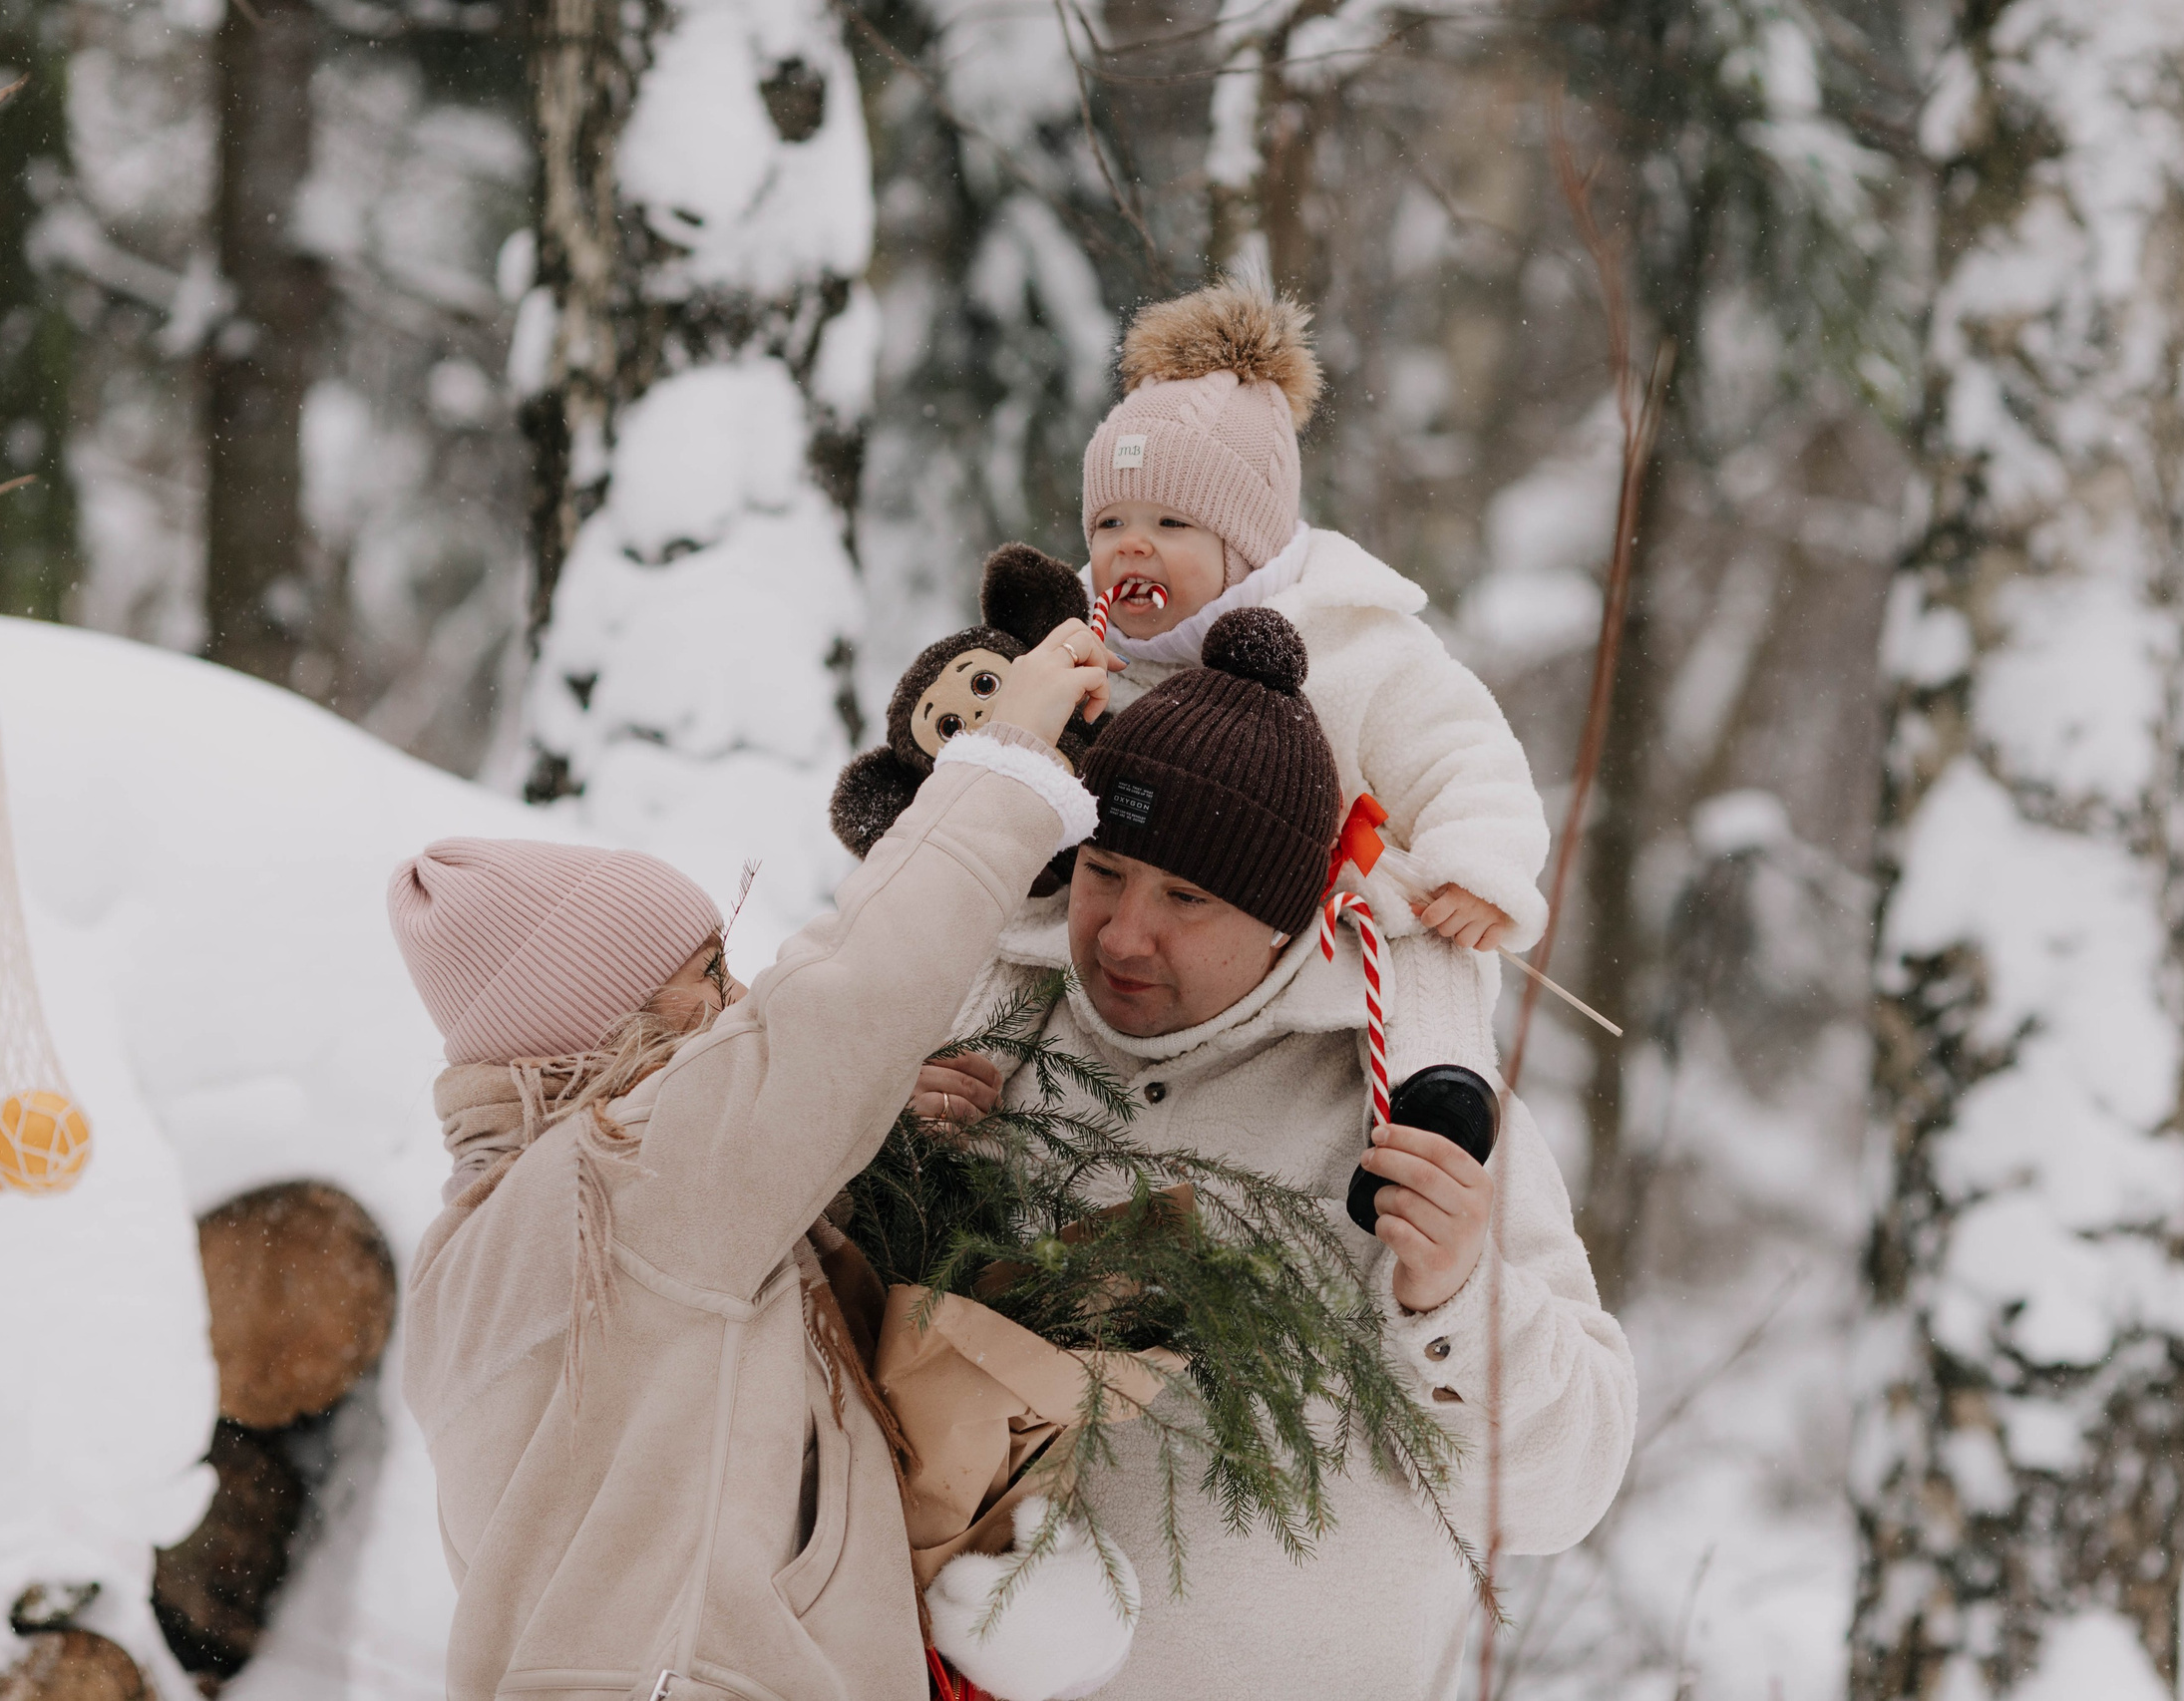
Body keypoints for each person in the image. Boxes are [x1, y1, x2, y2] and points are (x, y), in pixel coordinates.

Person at [919, 608, 1636, 1701]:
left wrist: (1458, 1299)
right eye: (1105, 870)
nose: (1120, 932)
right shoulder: (982, 1030)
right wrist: (883, 1149)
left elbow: (1561, 1492)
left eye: (1186, 898)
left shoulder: (1413, 1102)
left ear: (1285, 912)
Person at [391, 624, 1115, 1701]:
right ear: (608, 1022)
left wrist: (853, 1127)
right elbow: (841, 998)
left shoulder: (494, 1234)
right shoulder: (632, 1173)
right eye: (706, 972)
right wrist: (1002, 762)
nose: (737, 998)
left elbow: (680, 1359)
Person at [1076, 279, 1550, 984]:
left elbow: (1462, 754)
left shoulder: (1352, 643)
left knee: (1433, 989)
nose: (1132, 545)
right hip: (1133, 973)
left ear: (1247, 547)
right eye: (1111, 522)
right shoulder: (1081, 653)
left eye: (1172, 523)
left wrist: (1480, 869)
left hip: (1346, 965)